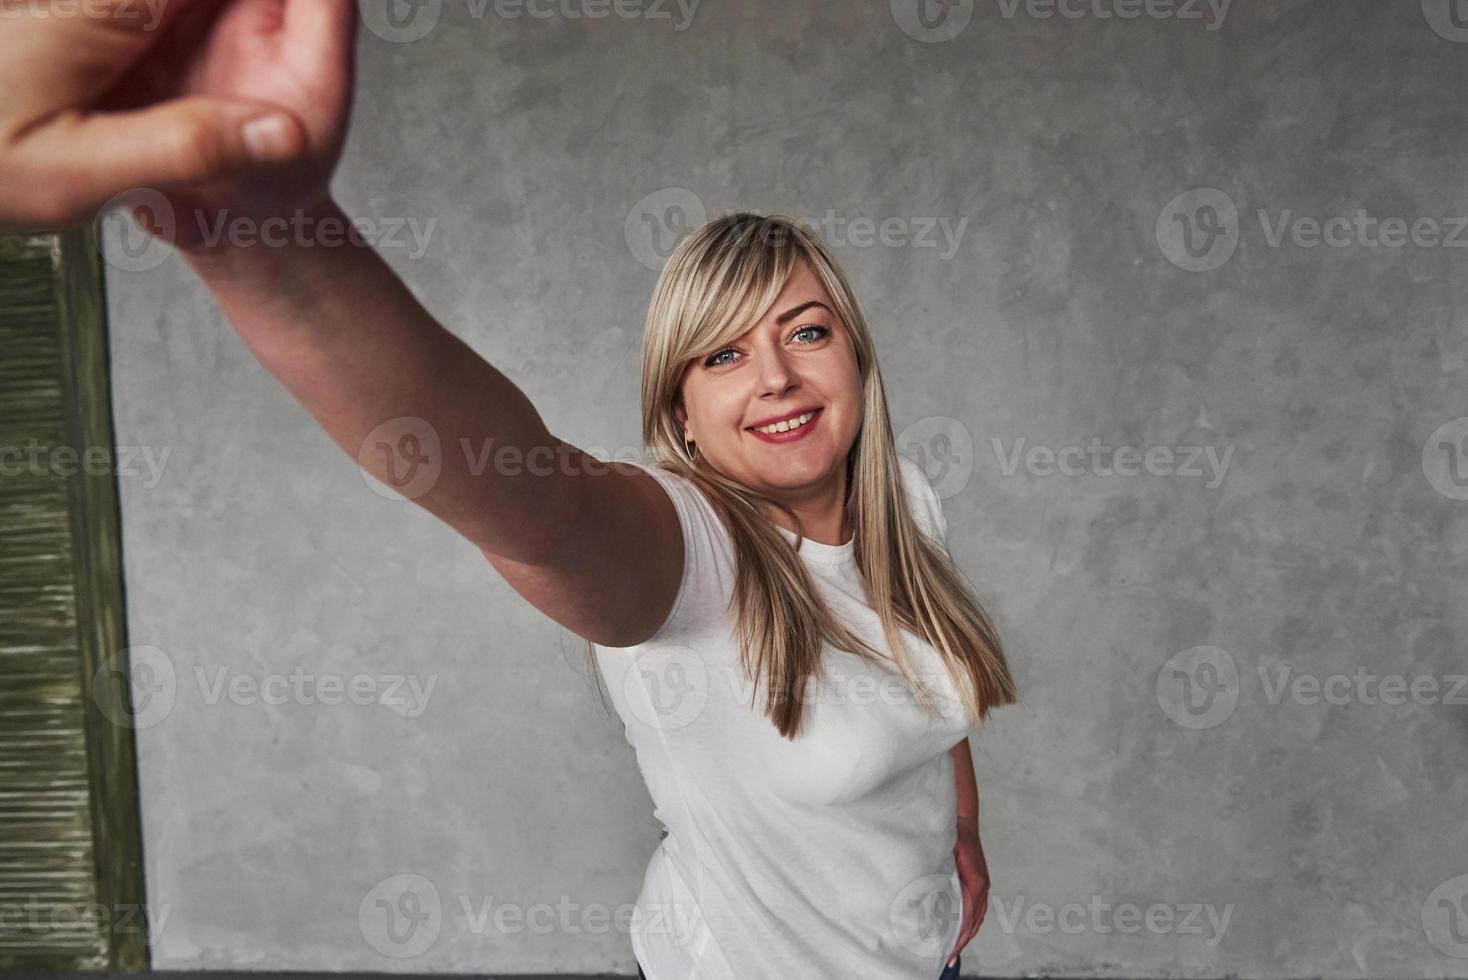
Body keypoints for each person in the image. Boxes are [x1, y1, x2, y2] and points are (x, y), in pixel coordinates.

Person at [0, 2, 1017, 976]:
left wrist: (958, 832)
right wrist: (263, 238)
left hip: (928, 953)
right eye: (721, 355)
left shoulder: (904, 496)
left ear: (853, 354)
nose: (777, 378)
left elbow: (924, 686)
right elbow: (527, 494)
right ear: (678, 413)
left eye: (805, 329)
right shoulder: (690, 552)